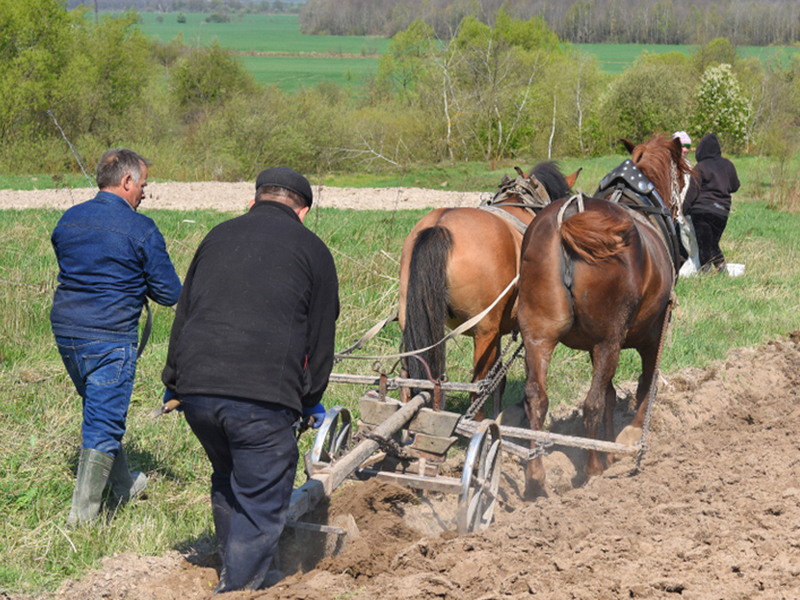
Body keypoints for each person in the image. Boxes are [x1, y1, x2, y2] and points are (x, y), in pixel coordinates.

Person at [161, 166, 339, 593]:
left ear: (254, 200)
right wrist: (311, 399)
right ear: (303, 212)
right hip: (261, 397)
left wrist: (174, 382)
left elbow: (185, 312)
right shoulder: (314, 251)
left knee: (228, 477)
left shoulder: (215, 236)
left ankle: (246, 570)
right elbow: (320, 335)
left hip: (197, 392)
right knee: (262, 498)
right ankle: (237, 588)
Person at [50, 148, 182, 525]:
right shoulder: (142, 229)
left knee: (99, 411)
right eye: (143, 185)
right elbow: (169, 294)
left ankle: (123, 486)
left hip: (66, 333)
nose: (145, 193)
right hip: (110, 338)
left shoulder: (68, 220)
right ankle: (83, 521)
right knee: (104, 422)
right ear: (126, 182)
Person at [682, 132, 740, 273]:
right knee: (713, 244)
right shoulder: (728, 165)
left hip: (701, 212)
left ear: (701, 150)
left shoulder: (701, 167)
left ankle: (706, 273)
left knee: (704, 245)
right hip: (722, 213)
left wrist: (683, 211)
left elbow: (692, 193)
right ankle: (722, 271)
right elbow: (735, 186)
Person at [672, 131, 701, 275]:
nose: (685, 149)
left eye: (688, 146)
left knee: (685, 244)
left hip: (684, 211)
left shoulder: (688, 164)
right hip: (670, 211)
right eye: (682, 146)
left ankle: (682, 271)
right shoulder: (668, 163)